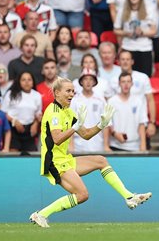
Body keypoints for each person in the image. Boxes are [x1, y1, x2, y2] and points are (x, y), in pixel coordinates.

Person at [28, 77, 151, 228]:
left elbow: (85, 134)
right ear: (57, 93)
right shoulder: (53, 112)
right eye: (68, 91)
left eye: (73, 91)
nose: (71, 94)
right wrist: (74, 127)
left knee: (101, 160)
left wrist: (102, 124)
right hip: (53, 162)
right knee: (82, 195)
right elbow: (57, 139)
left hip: (65, 159)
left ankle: (129, 196)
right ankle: (41, 214)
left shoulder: (68, 112)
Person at [0, 71, 42, 153]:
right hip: (13, 129)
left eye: (29, 80)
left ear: (33, 82)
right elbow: (3, 113)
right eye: (23, 80)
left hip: (29, 130)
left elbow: (38, 114)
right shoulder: (11, 94)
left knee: (31, 157)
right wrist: (14, 121)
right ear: (19, 82)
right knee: (13, 157)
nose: (26, 82)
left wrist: (36, 123)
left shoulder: (37, 95)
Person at [107, 72, 148, 152]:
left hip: (134, 147)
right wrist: (115, 134)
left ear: (132, 83)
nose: (126, 84)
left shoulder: (138, 102)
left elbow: (142, 124)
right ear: (119, 83)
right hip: (115, 146)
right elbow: (107, 124)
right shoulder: (111, 101)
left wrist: (143, 145)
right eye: (123, 82)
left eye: (128, 82)